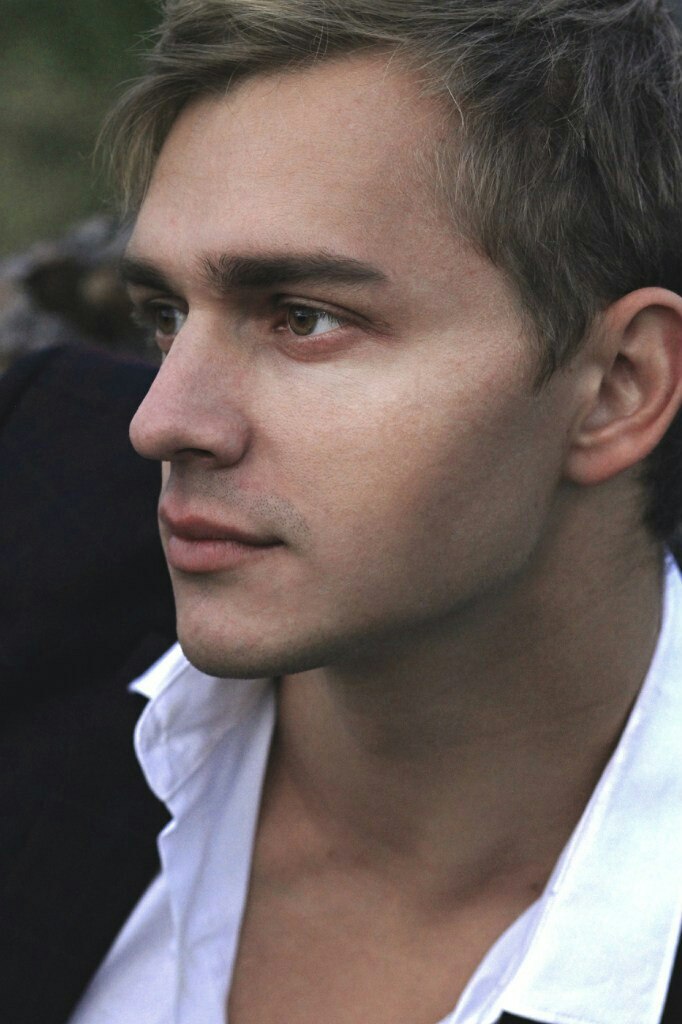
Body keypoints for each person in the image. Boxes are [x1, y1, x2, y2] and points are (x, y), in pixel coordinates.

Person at [15, 0, 682, 1022]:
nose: (161, 421)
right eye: (164, 316)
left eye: (304, 319)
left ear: (619, 387)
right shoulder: (34, 552)